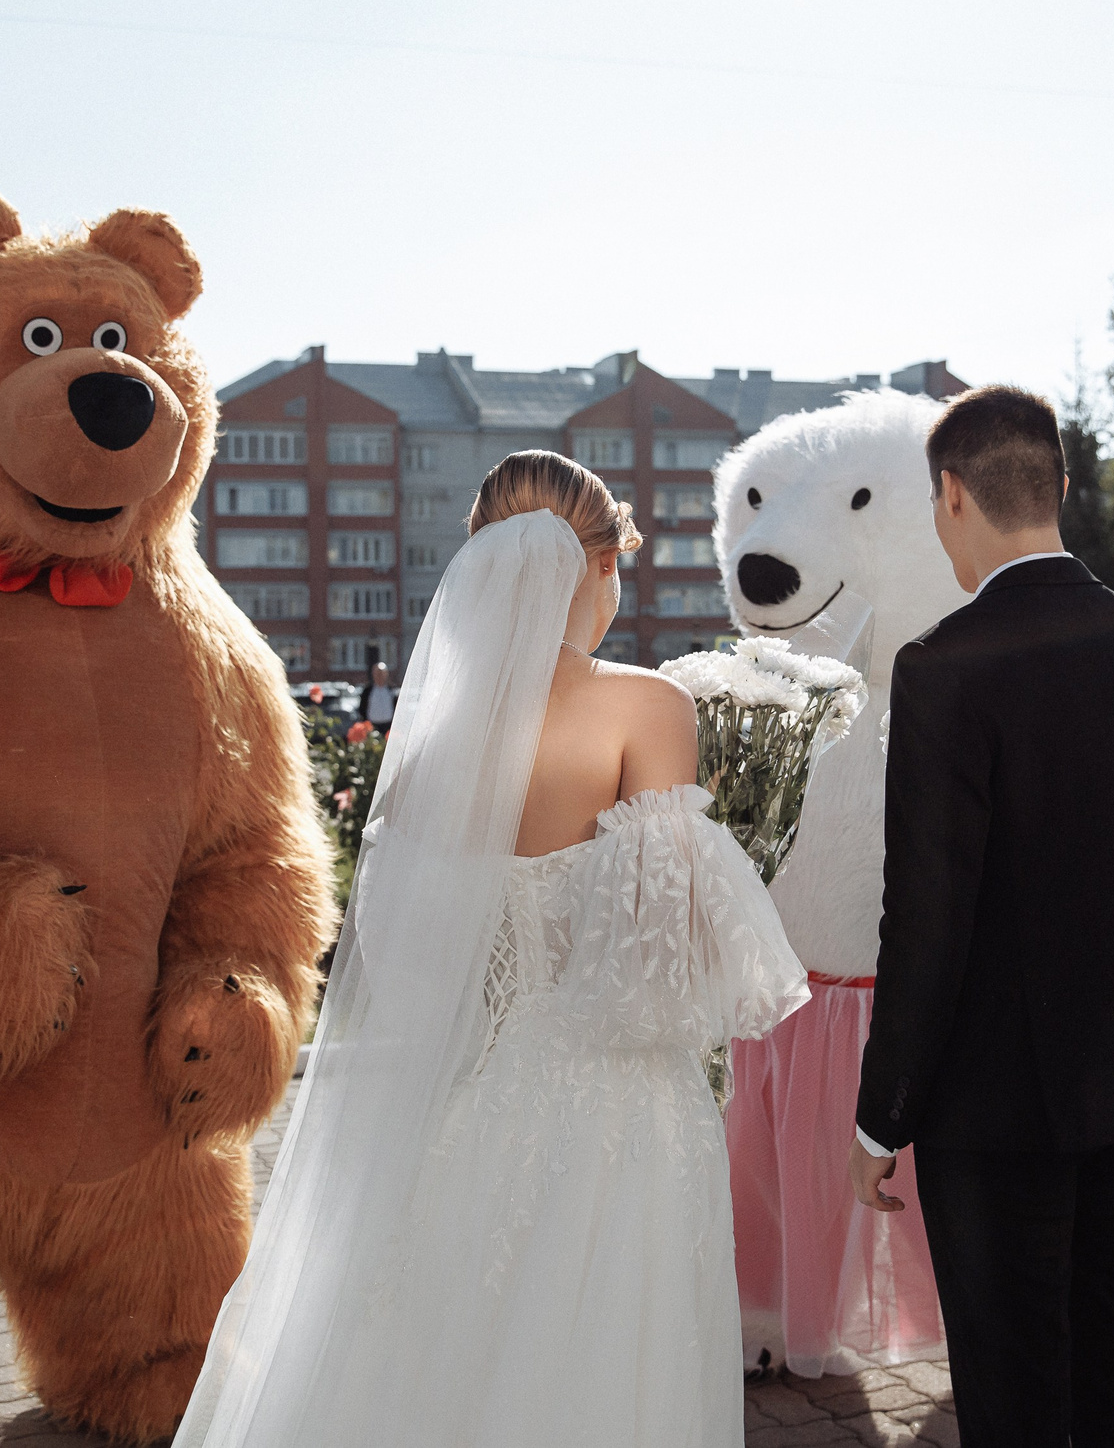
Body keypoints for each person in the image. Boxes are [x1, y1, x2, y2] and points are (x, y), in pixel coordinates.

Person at [175, 449, 808, 1448]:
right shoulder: (648, 707)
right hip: (624, 1104)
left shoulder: (437, 741)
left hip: (477, 1094)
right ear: (598, 566)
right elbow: (663, 956)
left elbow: (419, 961)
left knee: (456, 1347)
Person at [848, 386, 1114, 1448]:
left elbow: (926, 915)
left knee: (1013, 1387)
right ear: (1058, 486)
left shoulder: (943, 667)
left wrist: (883, 1115)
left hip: (996, 1099)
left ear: (952, 495)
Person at [362, 657, 397, 732]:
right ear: (373, 674)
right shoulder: (367, 691)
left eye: (382, 674)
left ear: (386, 674)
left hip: (388, 726)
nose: (379, 676)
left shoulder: (391, 690)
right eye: (377, 673)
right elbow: (362, 708)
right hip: (372, 726)